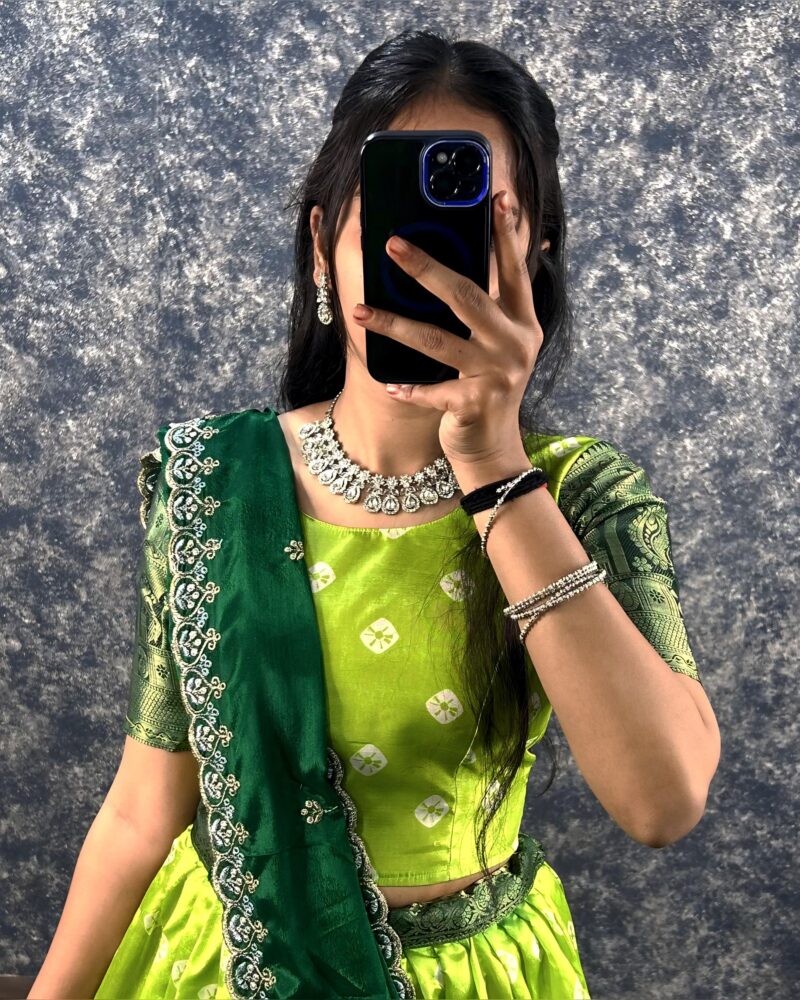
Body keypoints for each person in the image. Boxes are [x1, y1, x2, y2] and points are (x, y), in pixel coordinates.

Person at [30, 28, 720, 1000]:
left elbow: (663, 801)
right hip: (227, 965)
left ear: (532, 254)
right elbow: (144, 811)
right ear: (323, 245)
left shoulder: (576, 494)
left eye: (471, 227)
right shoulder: (214, 484)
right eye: (393, 227)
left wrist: (492, 467)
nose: (428, 267)